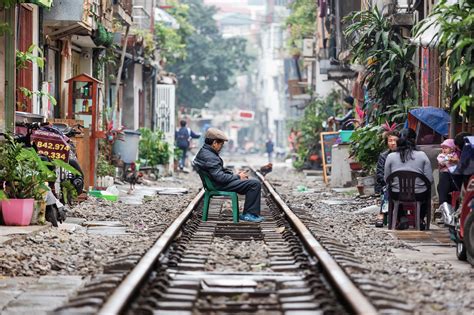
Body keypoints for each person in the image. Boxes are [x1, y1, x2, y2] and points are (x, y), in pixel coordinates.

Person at [193, 128, 264, 223]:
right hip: (218, 185)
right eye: (221, 144)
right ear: (214, 143)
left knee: (250, 183)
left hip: (214, 183)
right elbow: (220, 177)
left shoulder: (204, 152)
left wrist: (235, 175)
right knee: (254, 184)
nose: (221, 147)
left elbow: (217, 172)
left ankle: (250, 213)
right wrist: (238, 177)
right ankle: (249, 214)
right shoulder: (210, 157)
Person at [384, 128, 433, 229]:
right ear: (414, 141)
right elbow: (430, 179)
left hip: (397, 193)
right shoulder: (422, 155)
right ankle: (420, 219)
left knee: (390, 191)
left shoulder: (390, 156)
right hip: (419, 194)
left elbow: (386, 179)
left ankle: (402, 218)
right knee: (427, 191)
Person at [374, 130, 399, 227]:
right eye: (390, 140)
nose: (392, 143)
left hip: (400, 184)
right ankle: (383, 213)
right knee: (387, 188)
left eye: (395, 140)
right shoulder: (383, 156)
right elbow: (380, 174)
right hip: (387, 183)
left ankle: (382, 214)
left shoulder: (403, 154)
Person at [437, 139, 459, 204]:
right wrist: (447, 159)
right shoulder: (441, 155)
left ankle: (444, 203)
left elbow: (457, 160)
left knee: (442, 187)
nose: (443, 150)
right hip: (446, 174)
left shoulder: (455, 155)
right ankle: (443, 204)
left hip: (455, 175)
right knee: (443, 184)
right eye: (442, 148)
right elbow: (441, 162)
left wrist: (454, 160)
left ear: (452, 149)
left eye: (446, 148)